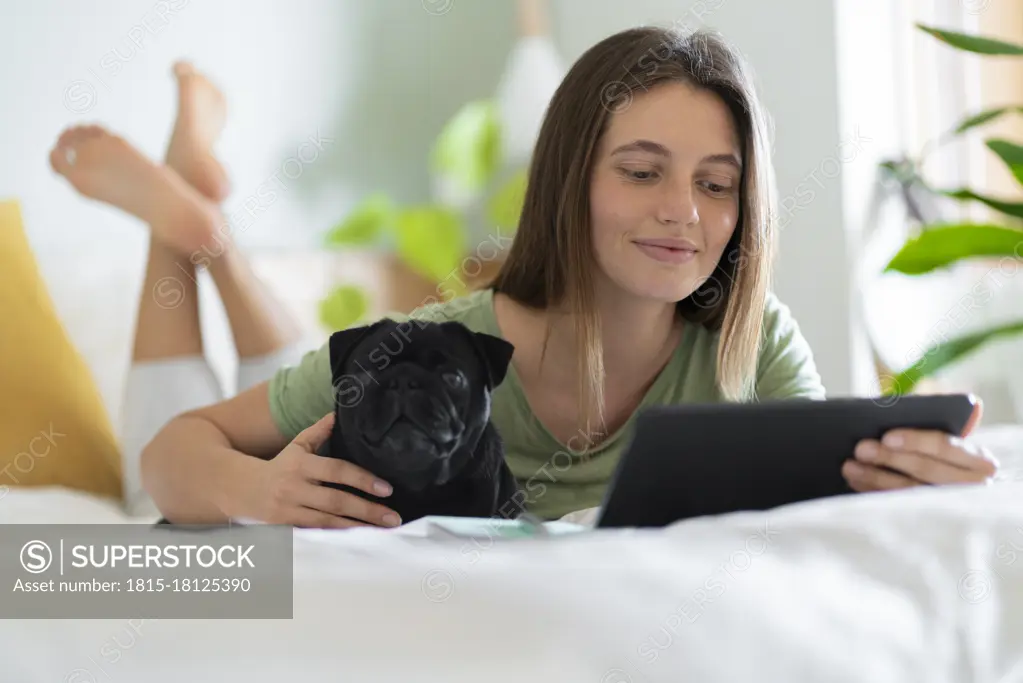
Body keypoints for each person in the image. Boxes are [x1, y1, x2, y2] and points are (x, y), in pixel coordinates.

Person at [66, 27, 999, 528]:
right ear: (570, 182)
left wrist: (893, 481)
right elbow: (172, 456)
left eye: (717, 185)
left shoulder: (753, 345)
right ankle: (198, 239)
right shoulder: (436, 348)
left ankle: (203, 220)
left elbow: (816, 486)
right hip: (271, 449)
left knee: (277, 365)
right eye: (641, 172)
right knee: (165, 480)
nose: (684, 210)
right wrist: (250, 492)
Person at [49, 63, 309, 517]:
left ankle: (207, 230)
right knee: (310, 433)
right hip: (293, 514)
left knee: (167, 492)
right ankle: (209, 233)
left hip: (212, 508)